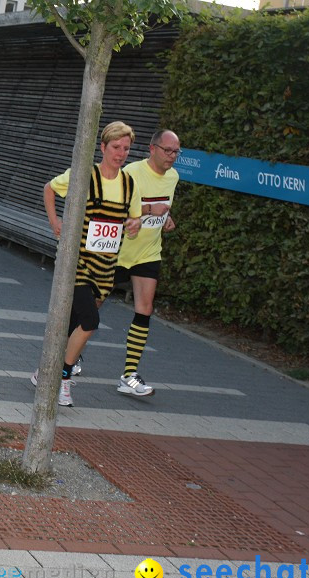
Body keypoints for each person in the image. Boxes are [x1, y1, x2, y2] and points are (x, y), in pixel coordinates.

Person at [38, 121, 142, 407]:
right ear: (103, 147)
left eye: (126, 149)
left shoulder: (129, 184)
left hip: (105, 267)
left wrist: (134, 223)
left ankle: (44, 373)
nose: (121, 153)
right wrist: (54, 221)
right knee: (90, 322)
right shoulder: (84, 175)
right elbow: (49, 188)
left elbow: (133, 219)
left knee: (72, 323)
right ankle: (64, 377)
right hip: (78, 262)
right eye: (116, 147)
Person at [112, 129, 180, 396]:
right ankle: (70, 356)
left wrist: (166, 218)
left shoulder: (173, 177)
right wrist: (151, 210)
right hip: (119, 251)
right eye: (168, 151)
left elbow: (164, 205)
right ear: (152, 149)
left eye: (176, 152)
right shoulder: (132, 173)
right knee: (91, 306)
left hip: (148, 252)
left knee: (145, 309)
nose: (172, 157)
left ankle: (129, 376)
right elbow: (117, 207)